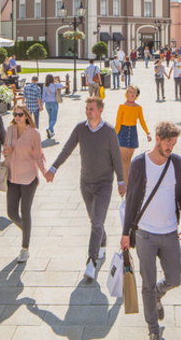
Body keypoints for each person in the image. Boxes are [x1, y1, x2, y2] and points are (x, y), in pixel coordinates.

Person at [121, 122, 181, 340]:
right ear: (158, 139)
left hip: (170, 232)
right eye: (168, 142)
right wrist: (125, 233)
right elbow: (132, 199)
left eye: (174, 143)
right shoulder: (140, 163)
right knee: (147, 283)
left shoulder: (176, 162)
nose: (171, 147)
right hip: (145, 234)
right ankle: (153, 329)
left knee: (175, 278)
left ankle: (158, 295)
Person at [45, 97, 125, 279]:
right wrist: (53, 168)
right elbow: (67, 148)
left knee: (96, 221)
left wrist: (121, 181)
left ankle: (91, 261)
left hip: (104, 183)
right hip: (85, 182)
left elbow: (117, 158)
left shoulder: (109, 132)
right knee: (95, 220)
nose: (88, 112)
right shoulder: (81, 128)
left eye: (91, 109)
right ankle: (102, 242)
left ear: (100, 111)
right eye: (87, 109)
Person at [3, 104, 47, 263]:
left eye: (20, 114)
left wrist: (45, 172)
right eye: (15, 114)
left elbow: (39, 155)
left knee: (25, 211)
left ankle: (25, 248)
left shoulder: (34, 133)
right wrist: (5, 151)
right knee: (11, 213)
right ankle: (26, 231)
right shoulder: (10, 130)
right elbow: (5, 150)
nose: (17, 117)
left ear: (27, 116)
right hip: (12, 177)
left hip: (28, 177)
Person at [115, 85, 152, 186]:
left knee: (129, 159)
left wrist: (148, 132)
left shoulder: (138, 108)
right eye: (130, 92)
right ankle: (125, 183)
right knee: (124, 159)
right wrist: (114, 136)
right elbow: (118, 122)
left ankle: (128, 181)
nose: (131, 94)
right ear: (126, 94)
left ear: (136, 95)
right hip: (122, 132)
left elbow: (142, 121)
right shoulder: (121, 106)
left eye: (133, 92)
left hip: (133, 133)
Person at [41, 74, 64, 139]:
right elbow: (62, 86)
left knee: (50, 117)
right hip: (54, 102)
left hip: (47, 103)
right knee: (54, 118)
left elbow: (43, 96)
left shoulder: (45, 86)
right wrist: (56, 81)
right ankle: (49, 128)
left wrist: (41, 104)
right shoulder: (55, 85)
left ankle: (51, 132)